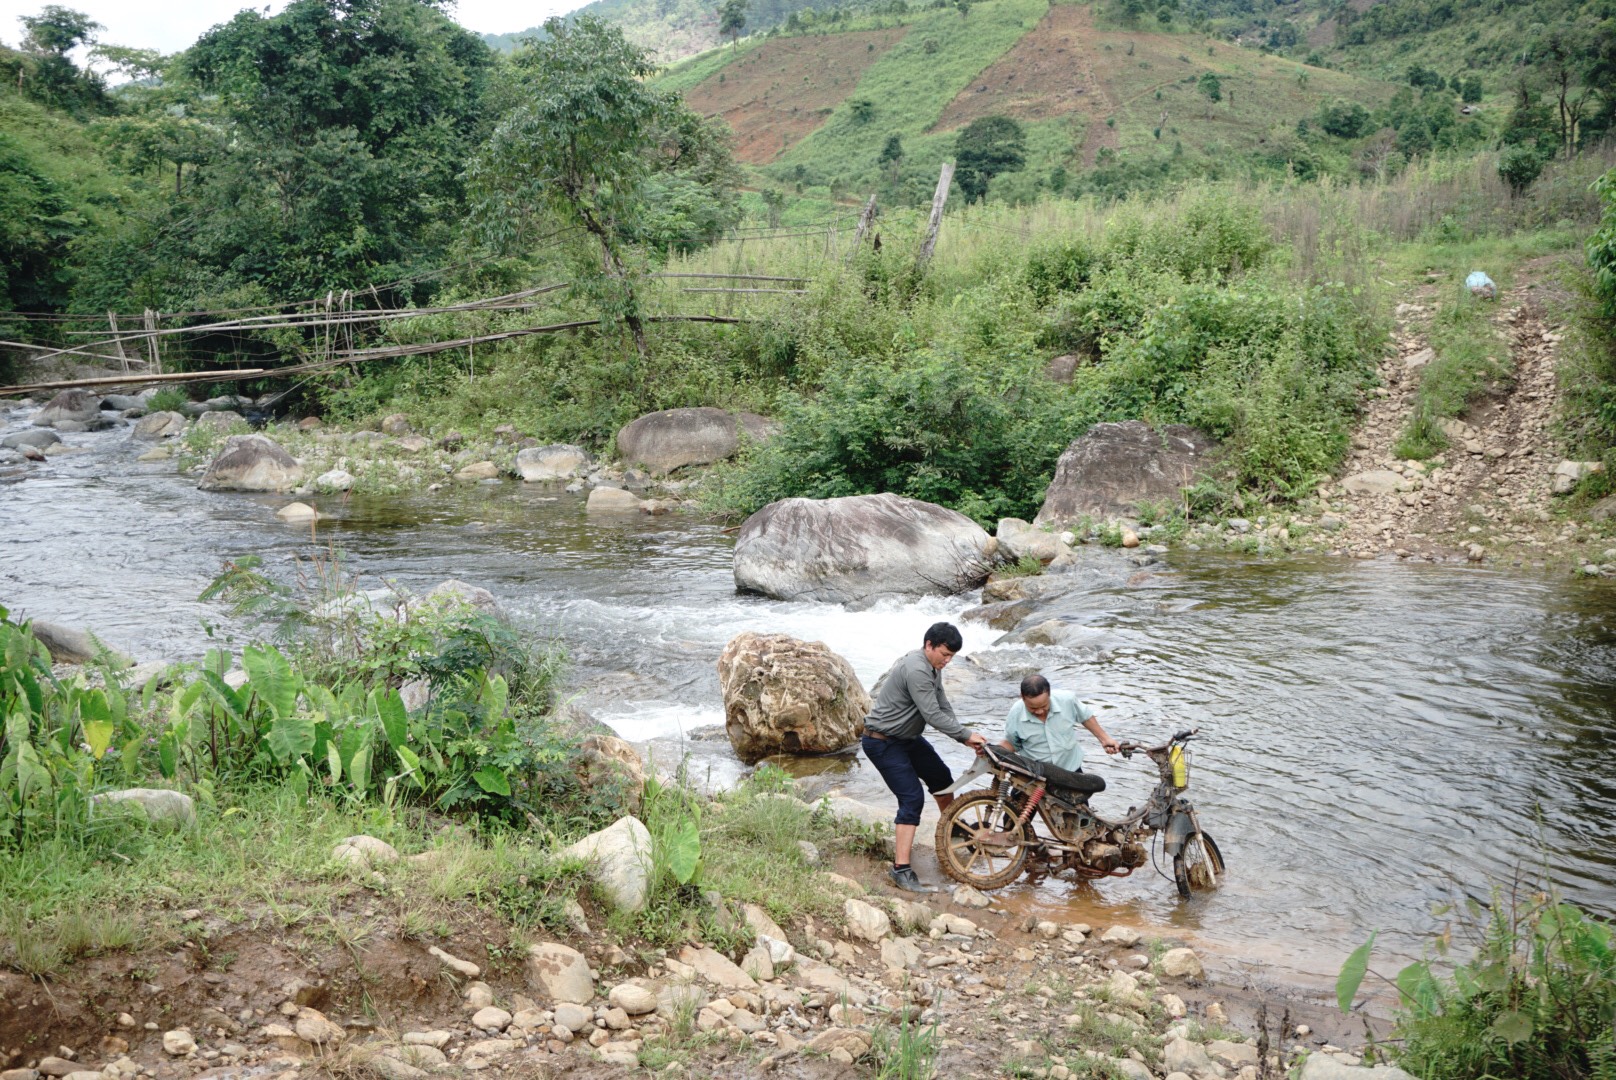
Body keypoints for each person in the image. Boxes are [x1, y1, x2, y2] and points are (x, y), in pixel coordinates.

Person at [862, 621, 988, 893]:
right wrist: (964, 736)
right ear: (929, 645)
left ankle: (952, 828)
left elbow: (943, 704)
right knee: (912, 798)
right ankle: (901, 869)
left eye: (951, 656)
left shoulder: (932, 667)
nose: (947, 660)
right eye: (945, 654)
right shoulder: (917, 668)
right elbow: (931, 714)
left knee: (941, 778)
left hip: (907, 739)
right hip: (881, 742)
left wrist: (966, 736)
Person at [999, 673, 1120, 773]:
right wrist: (995, 752)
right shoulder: (1016, 713)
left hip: (1070, 769)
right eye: (1033, 708)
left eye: (1044, 706)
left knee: (1079, 801)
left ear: (1050, 694)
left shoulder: (1067, 700)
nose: (1040, 711)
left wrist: (1104, 739)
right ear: (1022, 698)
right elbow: (1012, 743)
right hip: (1035, 773)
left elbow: (1085, 716)